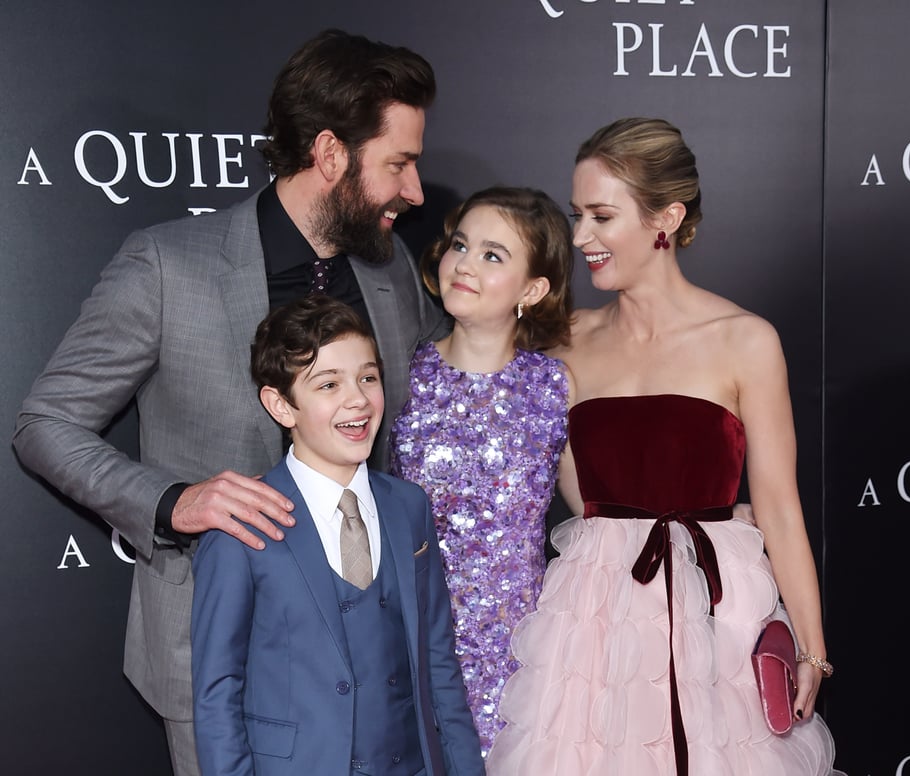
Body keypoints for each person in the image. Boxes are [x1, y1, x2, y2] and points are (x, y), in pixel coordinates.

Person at [12, 29, 446, 776]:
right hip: (225, 656)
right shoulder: (166, 265)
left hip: (376, 651)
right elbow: (45, 423)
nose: (414, 192)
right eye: (398, 164)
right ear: (331, 154)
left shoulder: (389, 271)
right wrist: (173, 501)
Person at [488, 118, 844, 774]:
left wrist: (812, 649)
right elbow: (575, 492)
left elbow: (780, 508)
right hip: (598, 623)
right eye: (576, 215)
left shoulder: (745, 340)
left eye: (600, 216)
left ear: (667, 218)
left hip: (718, 613)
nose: (580, 237)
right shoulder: (563, 339)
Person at [191, 296, 483, 776]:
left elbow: (439, 664)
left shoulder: (409, 506)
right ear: (281, 405)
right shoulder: (240, 523)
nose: (358, 399)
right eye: (328, 384)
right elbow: (217, 695)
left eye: (367, 377)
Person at [390, 186, 574, 757]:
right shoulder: (398, 375)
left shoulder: (554, 387)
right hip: (409, 647)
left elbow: (596, 518)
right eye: (460, 246)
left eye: (493, 255)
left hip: (521, 663)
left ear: (533, 289)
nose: (464, 264)